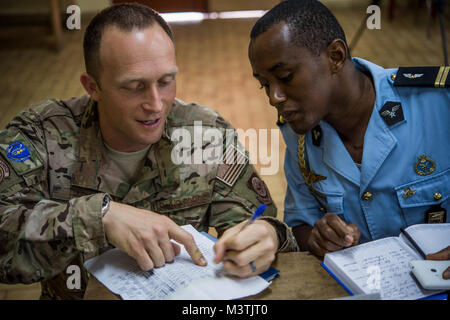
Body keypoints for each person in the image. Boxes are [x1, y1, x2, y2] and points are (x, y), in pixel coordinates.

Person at [0, 4, 298, 299]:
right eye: (134, 86)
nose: (156, 104)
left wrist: (265, 235)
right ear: (93, 87)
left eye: (166, 82)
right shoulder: (39, 135)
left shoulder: (208, 135)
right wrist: (98, 217)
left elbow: (256, 224)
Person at [248, 0, 449, 266]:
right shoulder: (299, 137)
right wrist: (319, 238)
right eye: (264, 85)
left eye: (285, 76)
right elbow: (300, 225)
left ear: (336, 57)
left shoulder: (437, 104)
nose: (274, 97)